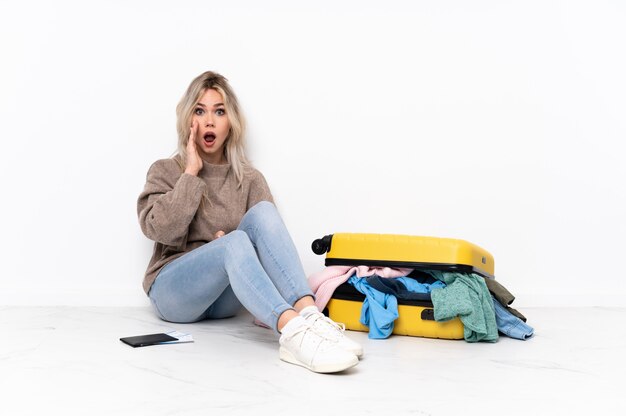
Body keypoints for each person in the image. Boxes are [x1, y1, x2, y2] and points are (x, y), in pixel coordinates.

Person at [137, 71, 362, 373]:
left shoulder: (249, 179)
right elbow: (159, 229)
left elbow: (270, 250)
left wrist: (228, 247)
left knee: (263, 214)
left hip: (226, 301)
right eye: (199, 111)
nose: (209, 121)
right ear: (188, 119)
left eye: (219, 111)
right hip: (174, 294)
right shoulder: (166, 170)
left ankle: (311, 318)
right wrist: (190, 173)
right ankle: (293, 334)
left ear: (231, 122)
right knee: (235, 242)